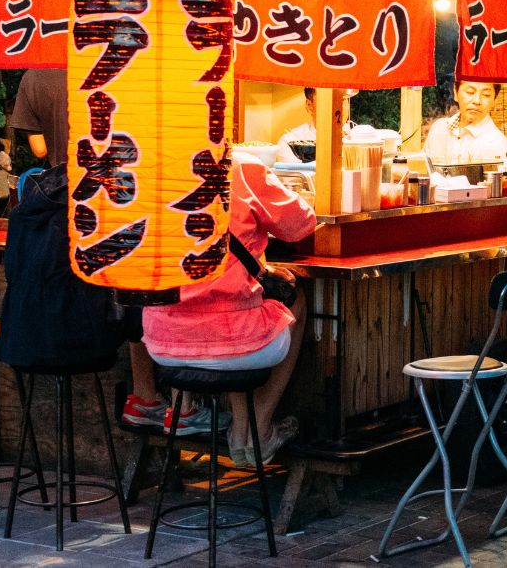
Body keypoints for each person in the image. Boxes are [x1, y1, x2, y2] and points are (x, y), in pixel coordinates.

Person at [141, 154, 316, 466]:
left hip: (162, 342)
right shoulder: (243, 167)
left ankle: (240, 428)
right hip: (236, 341)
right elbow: (299, 225)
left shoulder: (149, 171)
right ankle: (256, 429)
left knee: (240, 313)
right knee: (287, 302)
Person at [423, 80, 507, 162]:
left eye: (486, 95)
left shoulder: (497, 143)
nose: (477, 101)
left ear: (494, 100)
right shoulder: (439, 128)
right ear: (456, 93)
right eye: (470, 92)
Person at [10, 68, 68, 167]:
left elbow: (40, 149)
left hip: (67, 175)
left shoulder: (33, 77)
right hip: (100, 170)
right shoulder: (98, 66)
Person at [279, 87, 357, 144]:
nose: (339, 107)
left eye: (343, 100)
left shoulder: (359, 139)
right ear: (310, 106)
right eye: (329, 99)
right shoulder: (292, 142)